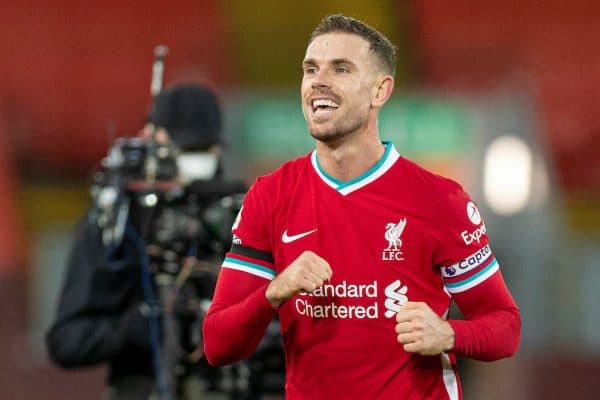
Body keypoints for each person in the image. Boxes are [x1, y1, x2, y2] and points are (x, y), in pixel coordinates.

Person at [202, 14, 521, 400]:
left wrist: (451, 334)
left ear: (380, 91)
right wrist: (274, 291)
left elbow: (505, 326)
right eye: (310, 69)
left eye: (341, 69)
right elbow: (218, 344)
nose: (319, 80)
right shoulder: (270, 195)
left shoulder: (440, 200)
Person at [46, 83, 253, 400]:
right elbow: (67, 341)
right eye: (183, 149)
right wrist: (146, 324)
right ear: (151, 141)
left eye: (203, 149)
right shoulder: (120, 223)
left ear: (218, 150)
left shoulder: (245, 215)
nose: (193, 161)